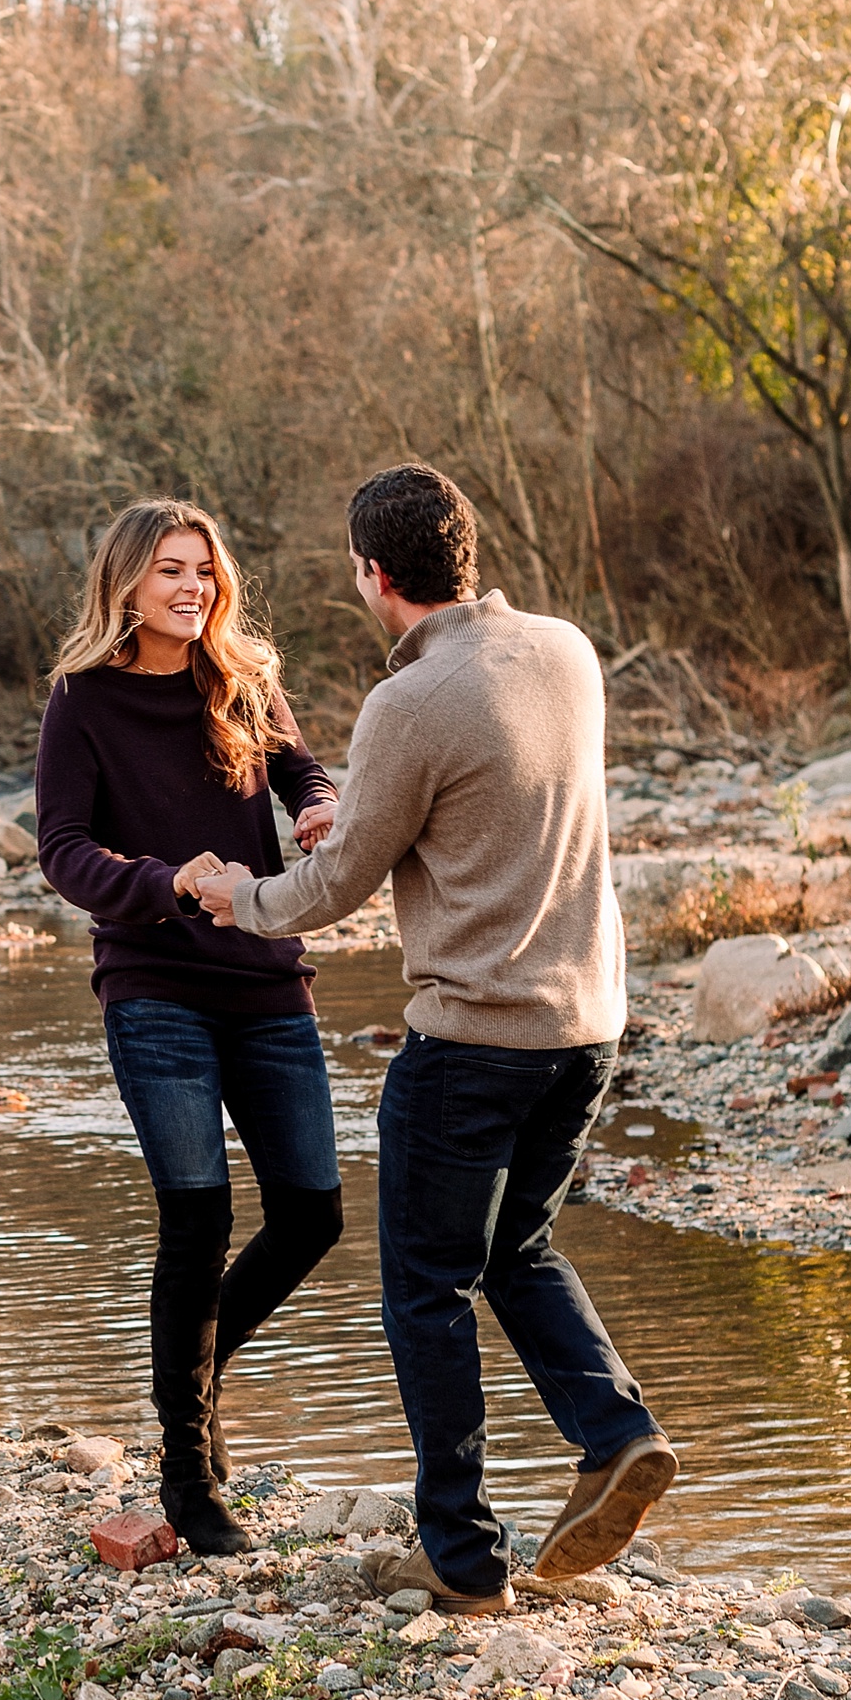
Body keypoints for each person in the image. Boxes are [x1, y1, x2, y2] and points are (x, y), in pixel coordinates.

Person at [194, 461, 677, 1612]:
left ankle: (460, 1556)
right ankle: (614, 1431)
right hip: (587, 1028)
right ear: (466, 550)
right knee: (520, 1250)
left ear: (371, 573)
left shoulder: (405, 703)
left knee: (425, 1286)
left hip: (471, 1044)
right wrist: (353, 815)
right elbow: (481, 813)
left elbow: (334, 889)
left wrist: (234, 895)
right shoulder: (565, 651)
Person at [35, 499, 344, 1557]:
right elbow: (63, 851)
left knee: (311, 1214)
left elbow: (297, 766)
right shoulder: (82, 701)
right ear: (126, 583)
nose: (193, 589)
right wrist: (163, 881)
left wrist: (318, 806)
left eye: (204, 571)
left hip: (263, 978)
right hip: (153, 985)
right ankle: (188, 1473)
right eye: (171, 571)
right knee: (198, 1220)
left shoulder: (243, 677)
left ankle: (193, 1372)